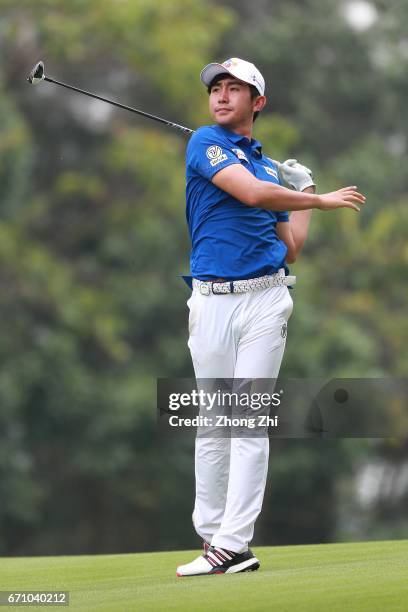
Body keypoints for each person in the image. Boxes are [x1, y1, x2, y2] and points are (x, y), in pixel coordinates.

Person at [176, 58, 365, 577]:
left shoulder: (266, 168)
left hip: (265, 299)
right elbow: (252, 195)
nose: (221, 95)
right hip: (212, 299)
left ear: (257, 103)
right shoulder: (204, 143)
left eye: (235, 88)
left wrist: (302, 194)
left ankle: (233, 544)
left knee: (248, 421)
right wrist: (320, 200)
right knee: (214, 423)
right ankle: (214, 536)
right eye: (216, 87)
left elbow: (291, 249)